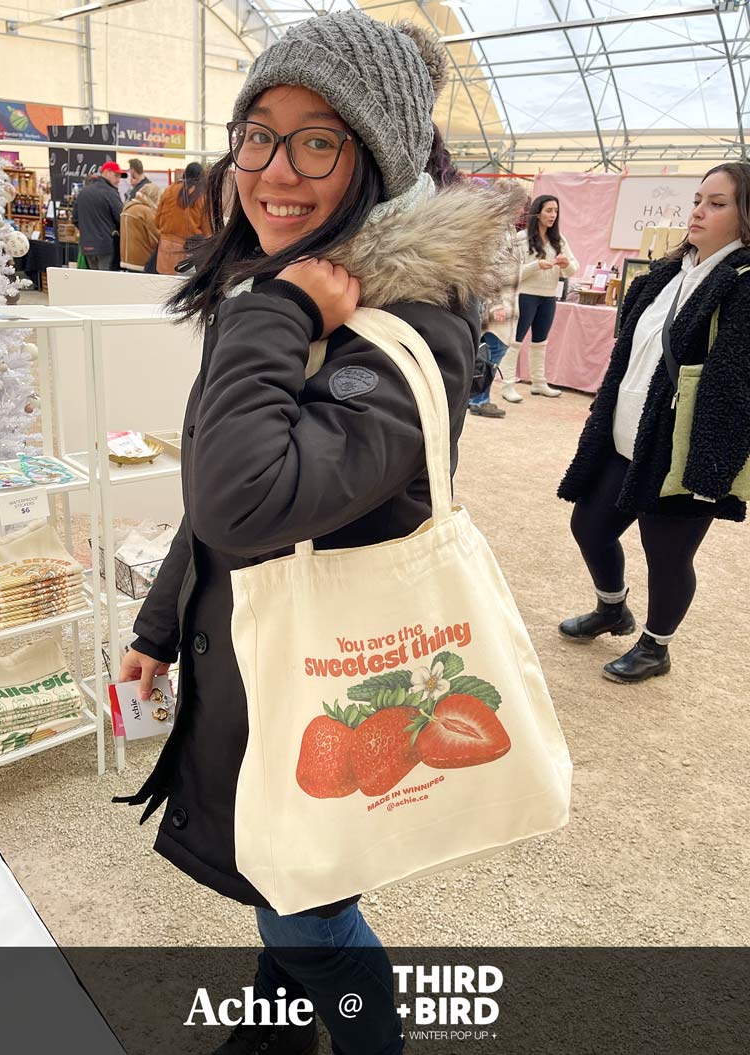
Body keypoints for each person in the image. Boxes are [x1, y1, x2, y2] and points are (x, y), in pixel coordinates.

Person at [113, 12, 511, 1055]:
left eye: (317, 139)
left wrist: (275, 312)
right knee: (288, 871)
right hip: (261, 659)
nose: (272, 169)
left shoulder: (401, 322)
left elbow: (246, 498)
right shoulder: (280, 291)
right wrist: (160, 621)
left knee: (312, 910)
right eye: (257, 131)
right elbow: (215, 502)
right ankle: (270, 1037)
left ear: (374, 157)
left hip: (329, 681)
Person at [557, 162, 750, 683]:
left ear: (745, 214)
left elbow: (737, 386)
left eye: (717, 203)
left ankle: (656, 646)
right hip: (627, 437)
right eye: (698, 199)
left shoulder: (742, 287)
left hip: (682, 449)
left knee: (666, 554)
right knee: (589, 526)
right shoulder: (667, 274)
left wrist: (711, 469)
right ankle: (612, 607)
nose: (699, 210)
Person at [499, 194, 578, 401]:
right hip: (525, 296)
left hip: (548, 297)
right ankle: (507, 384)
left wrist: (564, 264)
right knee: (515, 341)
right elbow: (511, 273)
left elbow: (572, 270)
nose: (553, 215)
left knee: (540, 341)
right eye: (549, 210)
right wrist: (536, 266)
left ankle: (538, 383)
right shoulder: (521, 238)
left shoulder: (559, 241)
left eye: (556, 211)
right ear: (538, 212)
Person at [469, 221, 523, 418]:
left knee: (490, 351)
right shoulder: (498, 229)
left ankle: (476, 396)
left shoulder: (509, 230)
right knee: (492, 352)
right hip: (497, 306)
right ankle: (478, 399)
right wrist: (495, 303)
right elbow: (490, 268)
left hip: (508, 304)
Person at [154, 161, 211, 275]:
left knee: (162, 286)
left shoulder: (169, 190)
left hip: (165, 248)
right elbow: (207, 229)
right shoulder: (201, 196)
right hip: (188, 250)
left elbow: (157, 221)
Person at [71, 160, 124, 270]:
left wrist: (87, 231)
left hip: (86, 245)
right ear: (107, 172)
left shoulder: (84, 192)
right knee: (105, 281)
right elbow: (121, 218)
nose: (118, 180)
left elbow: (75, 218)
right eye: (116, 175)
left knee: (94, 280)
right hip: (105, 246)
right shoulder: (110, 192)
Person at [119, 181, 161, 271]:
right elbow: (155, 238)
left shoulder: (127, 208)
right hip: (142, 261)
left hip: (126, 259)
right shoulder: (145, 211)